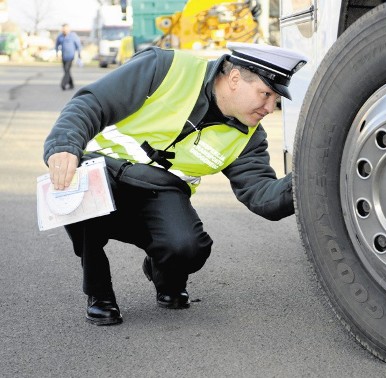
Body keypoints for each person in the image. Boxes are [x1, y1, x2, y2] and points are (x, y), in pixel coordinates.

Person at [43, 43, 307, 325]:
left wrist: (309, 180)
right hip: (105, 169)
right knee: (81, 198)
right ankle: (99, 293)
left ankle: (163, 267)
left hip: (160, 190)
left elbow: (262, 195)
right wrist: (64, 146)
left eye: (275, 99)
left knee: (189, 249)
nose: (270, 108)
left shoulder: (249, 137)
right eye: (265, 94)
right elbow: (92, 102)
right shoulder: (166, 68)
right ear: (234, 79)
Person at [55, 23, 82, 91]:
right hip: (64, 56)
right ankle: (71, 84)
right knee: (66, 70)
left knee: (67, 69)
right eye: (63, 29)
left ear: (68, 29)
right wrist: (57, 53)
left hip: (71, 56)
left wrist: (79, 53)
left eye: (65, 29)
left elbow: (78, 45)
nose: (64, 30)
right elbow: (57, 45)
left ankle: (63, 84)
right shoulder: (60, 36)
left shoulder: (73, 36)